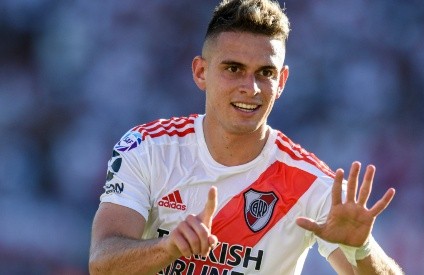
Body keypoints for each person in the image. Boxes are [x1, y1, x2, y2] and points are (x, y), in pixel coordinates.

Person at [89, 0, 404, 274]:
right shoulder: (148, 148)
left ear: (281, 82)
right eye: (233, 68)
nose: (250, 88)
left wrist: (362, 251)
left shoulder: (312, 185)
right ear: (201, 72)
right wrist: (167, 248)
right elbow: (102, 264)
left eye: (265, 73)